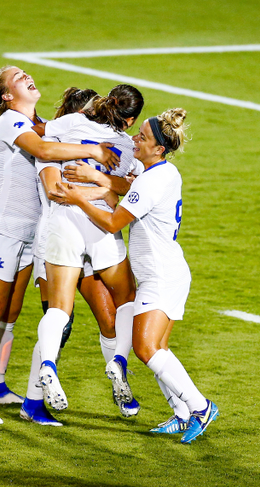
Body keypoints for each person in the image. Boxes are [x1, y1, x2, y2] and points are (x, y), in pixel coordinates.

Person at [0, 65, 119, 425]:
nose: (27, 77)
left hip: (29, 237)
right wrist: (96, 151)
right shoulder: (10, 122)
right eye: (17, 77)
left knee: (10, 315)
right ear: (6, 96)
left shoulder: (42, 124)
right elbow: (43, 150)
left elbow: (50, 142)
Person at [51, 108, 219, 444]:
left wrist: (77, 197)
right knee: (158, 347)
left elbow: (114, 222)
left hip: (161, 276)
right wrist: (100, 182)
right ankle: (182, 413)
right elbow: (128, 185)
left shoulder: (153, 179)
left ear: (158, 148)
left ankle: (201, 407)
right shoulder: (162, 172)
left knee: (144, 348)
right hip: (164, 272)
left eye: (142, 137)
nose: (134, 140)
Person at [27, 86, 142, 420]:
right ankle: (117, 363)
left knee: (64, 313)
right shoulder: (122, 145)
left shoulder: (62, 129)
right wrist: (102, 186)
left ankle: (50, 367)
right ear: (129, 118)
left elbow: (37, 139)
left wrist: (89, 177)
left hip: (62, 229)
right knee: (126, 301)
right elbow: (130, 188)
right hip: (96, 225)